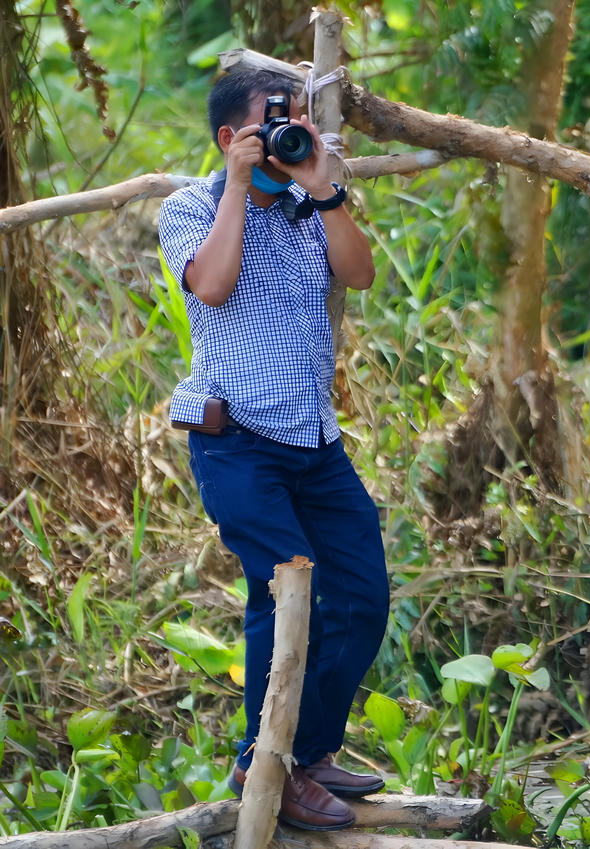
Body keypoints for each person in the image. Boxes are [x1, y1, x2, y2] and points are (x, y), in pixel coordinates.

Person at [157, 69, 390, 832]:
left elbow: (359, 272)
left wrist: (322, 185)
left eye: (292, 122)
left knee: (361, 599)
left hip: (316, 443)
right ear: (229, 137)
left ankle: (307, 751)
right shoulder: (188, 207)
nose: (282, 137)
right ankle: (269, 763)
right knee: (283, 601)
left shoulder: (303, 206)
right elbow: (214, 286)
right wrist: (235, 185)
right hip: (239, 448)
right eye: (269, 125)